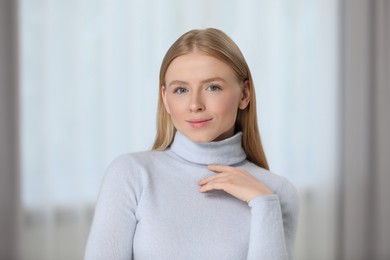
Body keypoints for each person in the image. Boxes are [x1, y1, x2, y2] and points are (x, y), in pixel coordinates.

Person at [85, 28, 299, 260]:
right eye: (182, 90)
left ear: (244, 94)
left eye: (212, 87)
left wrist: (264, 204)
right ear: (166, 98)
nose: (195, 104)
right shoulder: (131, 174)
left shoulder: (275, 192)